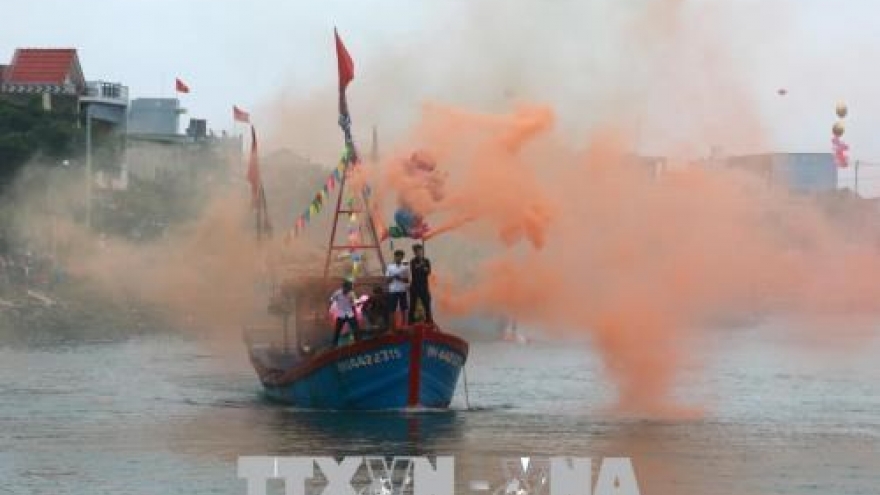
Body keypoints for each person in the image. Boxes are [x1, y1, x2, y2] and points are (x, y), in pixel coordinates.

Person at [329, 280, 359, 346]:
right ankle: (334, 345)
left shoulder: (351, 293)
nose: (349, 290)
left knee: (356, 329)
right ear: (344, 287)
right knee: (337, 331)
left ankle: (358, 343)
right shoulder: (337, 293)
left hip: (350, 314)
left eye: (350, 289)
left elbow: (354, 303)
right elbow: (331, 299)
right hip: (341, 315)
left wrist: (355, 303)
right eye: (348, 288)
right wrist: (330, 306)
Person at [408, 244, 433, 324]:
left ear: (422, 251)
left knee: (427, 304)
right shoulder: (413, 261)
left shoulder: (426, 260)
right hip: (414, 286)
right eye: (417, 251)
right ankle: (410, 321)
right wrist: (421, 267)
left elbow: (428, 272)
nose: (419, 253)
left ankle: (428, 320)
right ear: (414, 252)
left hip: (424, 286)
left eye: (420, 251)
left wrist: (422, 268)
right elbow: (414, 271)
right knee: (412, 305)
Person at [385, 249, 409, 328]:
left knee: (404, 309)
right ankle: (392, 327)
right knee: (392, 309)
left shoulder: (405, 268)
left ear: (402, 257)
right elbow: (387, 281)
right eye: (397, 256)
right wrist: (393, 277)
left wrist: (400, 278)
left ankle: (404, 325)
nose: (399, 258)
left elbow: (407, 280)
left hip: (402, 290)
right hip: (393, 291)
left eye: (401, 257)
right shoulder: (390, 267)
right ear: (395, 257)